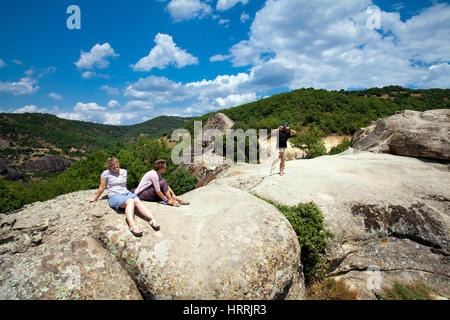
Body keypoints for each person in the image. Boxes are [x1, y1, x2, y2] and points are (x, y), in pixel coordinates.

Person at [87, 157, 160, 236]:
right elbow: (102, 187)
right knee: (130, 201)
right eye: (113, 168)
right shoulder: (106, 174)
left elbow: (122, 186)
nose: (116, 169)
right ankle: (132, 225)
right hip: (114, 195)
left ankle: (152, 219)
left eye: (117, 166)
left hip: (125, 193)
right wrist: (95, 198)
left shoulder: (124, 172)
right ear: (109, 167)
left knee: (137, 200)